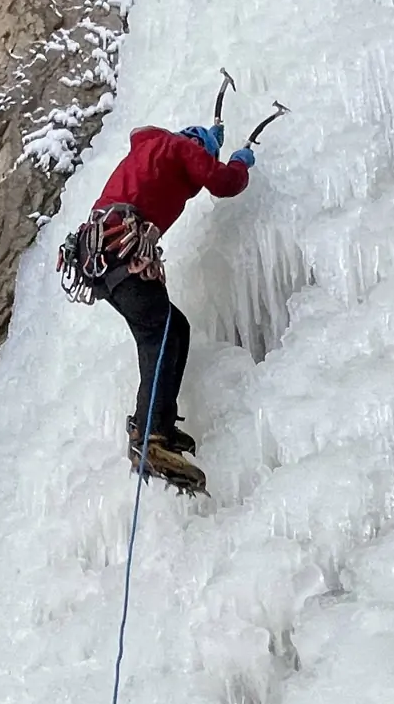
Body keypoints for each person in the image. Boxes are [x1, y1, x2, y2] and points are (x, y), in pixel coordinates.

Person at [74, 119, 257, 490]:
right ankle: (151, 436)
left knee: (170, 329)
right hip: (121, 251)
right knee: (162, 334)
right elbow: (223, 182)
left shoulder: (148, 150)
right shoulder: (179, 147)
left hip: (97, 258)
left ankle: (156, 426)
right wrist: (240, 162)